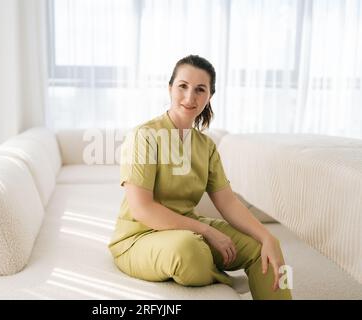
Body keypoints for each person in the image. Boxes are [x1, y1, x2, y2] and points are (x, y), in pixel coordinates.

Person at [108, 54, 292, 300]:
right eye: (182, 86)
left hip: (188, 229)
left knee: (264, 247)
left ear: (209, 97)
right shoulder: (144, 136)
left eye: (200, 90)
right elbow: (142, 209)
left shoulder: (205, 146)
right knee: (189, 251)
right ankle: (224, 278)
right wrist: (206, 230)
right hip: (139, 238)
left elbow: (228, 202)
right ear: (170, 88)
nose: (189, 97)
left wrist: (267, 236)